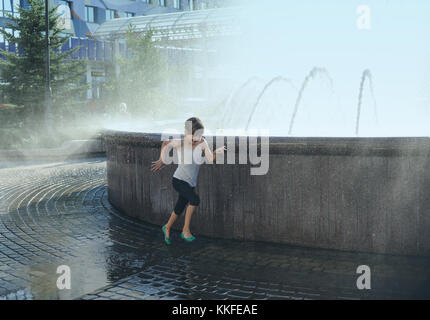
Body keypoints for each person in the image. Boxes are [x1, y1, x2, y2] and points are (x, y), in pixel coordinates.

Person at [151, 117, 226, 244]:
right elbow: (165, 143)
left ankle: (167, 227)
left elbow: (209, 159)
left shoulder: (203, 143)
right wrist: (161, 159)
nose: (198, 137)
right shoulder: (180, 142)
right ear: (187, 132)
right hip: (178, 180)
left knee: (179, 208)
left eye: (200, 134)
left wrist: (215, 153)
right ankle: (185, 230)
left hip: (190, 183)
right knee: (195, 200)